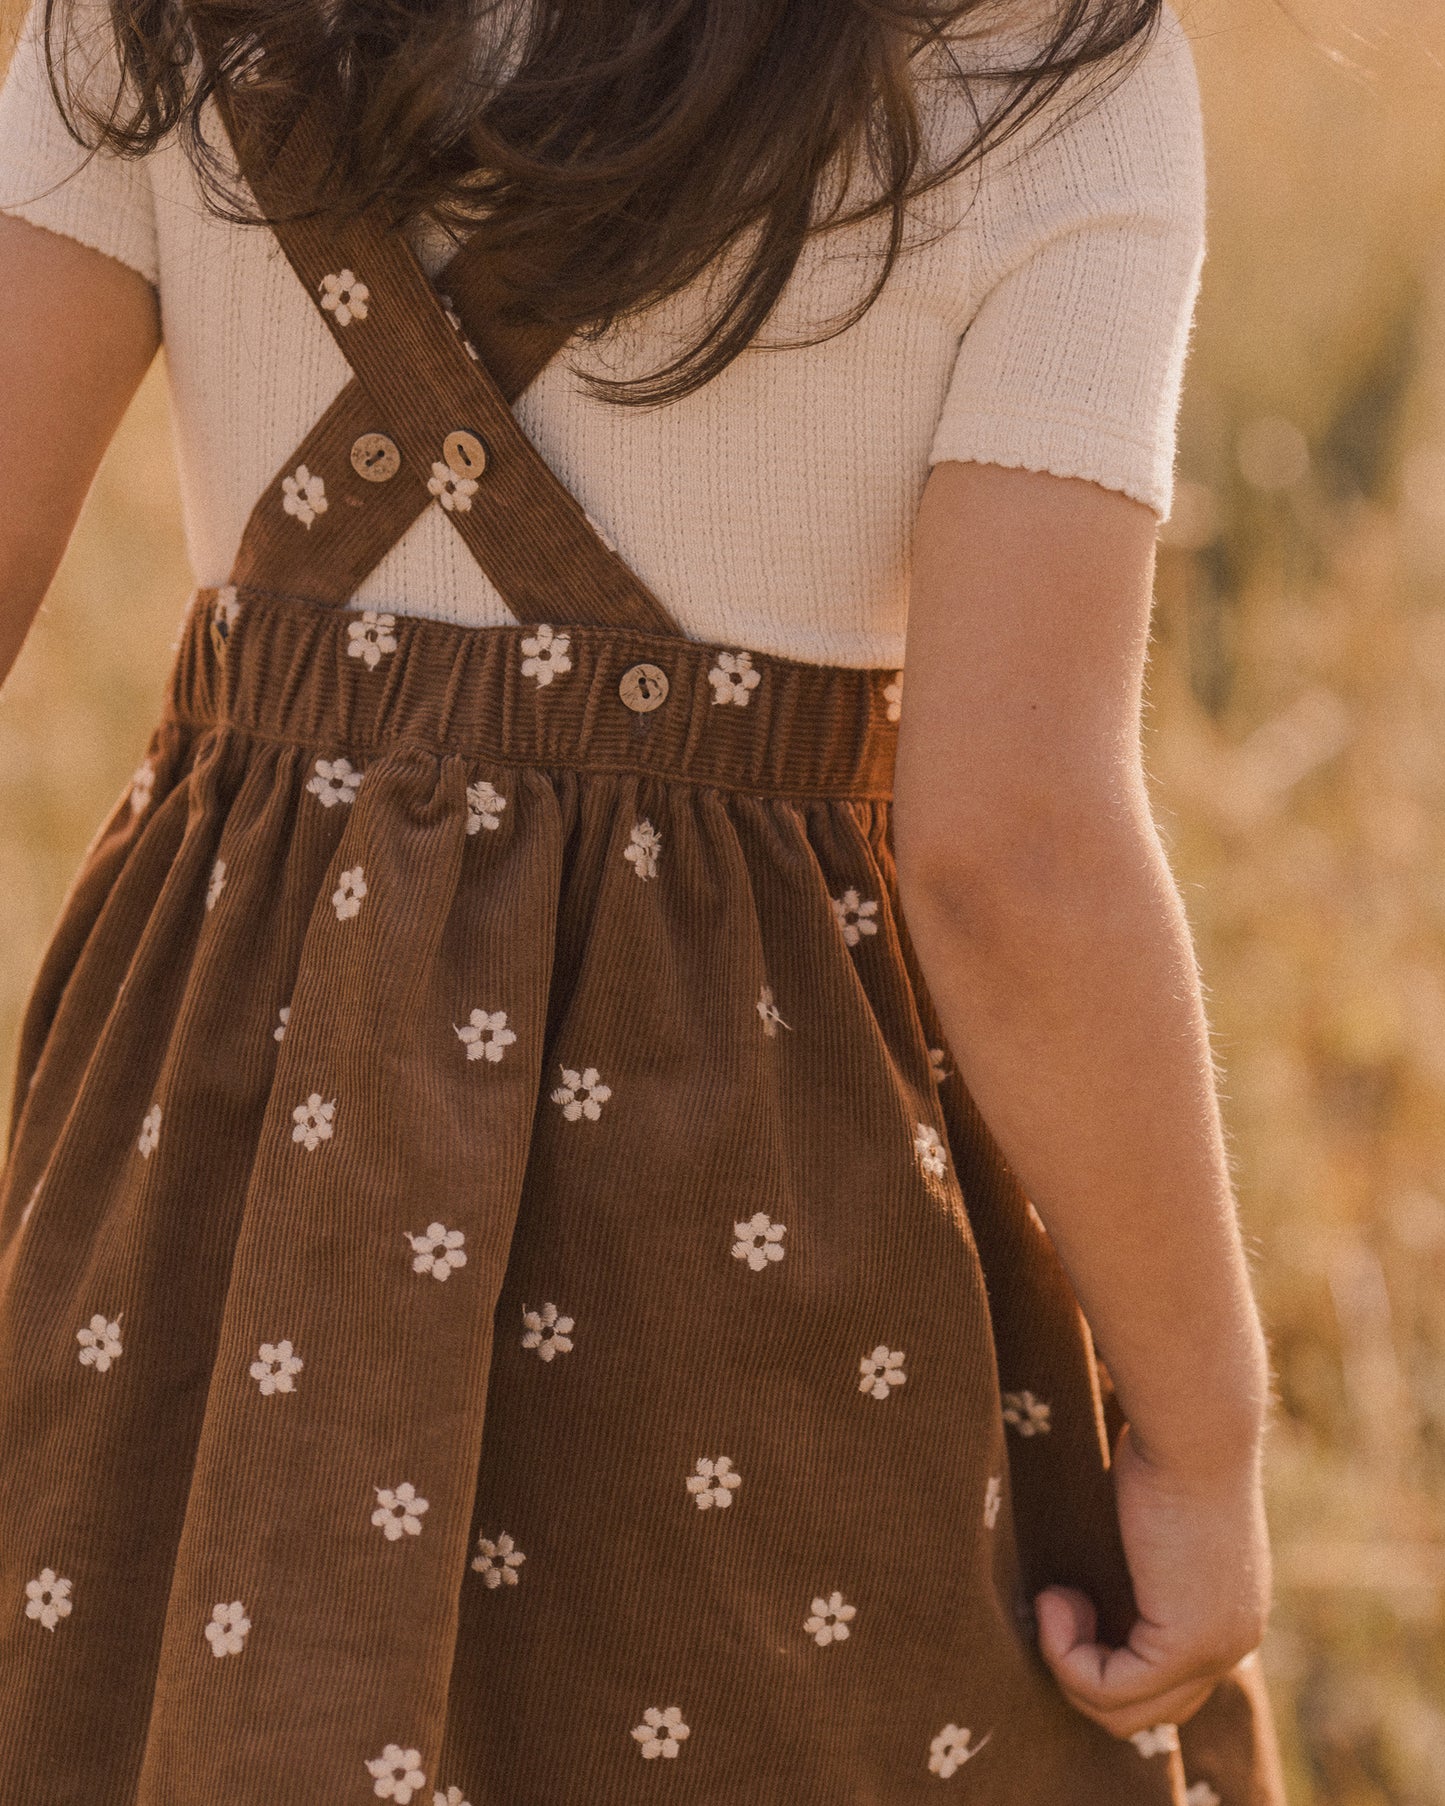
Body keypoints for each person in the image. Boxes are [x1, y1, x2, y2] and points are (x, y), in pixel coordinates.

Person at [0, 0, 1284, 1799]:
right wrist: (1203, 1432)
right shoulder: (1035, 66)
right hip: (757, 1178)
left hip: (231, 1131)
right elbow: (1015, 855)